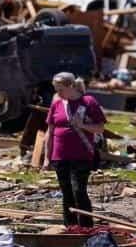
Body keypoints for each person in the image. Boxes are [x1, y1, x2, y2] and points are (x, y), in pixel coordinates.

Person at [43, 72, 106, 227]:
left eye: (60, 89)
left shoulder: (88, 102)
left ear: (71, 86)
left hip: (81, 154)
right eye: (56, 89)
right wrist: (46, 157)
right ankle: (70, 226)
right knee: (66, 193)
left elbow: (100, 128)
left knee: (79, 191)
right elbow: (49, 132)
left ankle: (86, 226)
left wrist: (82, 125)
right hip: (60, 155)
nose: (58, 93)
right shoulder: (57, 104)